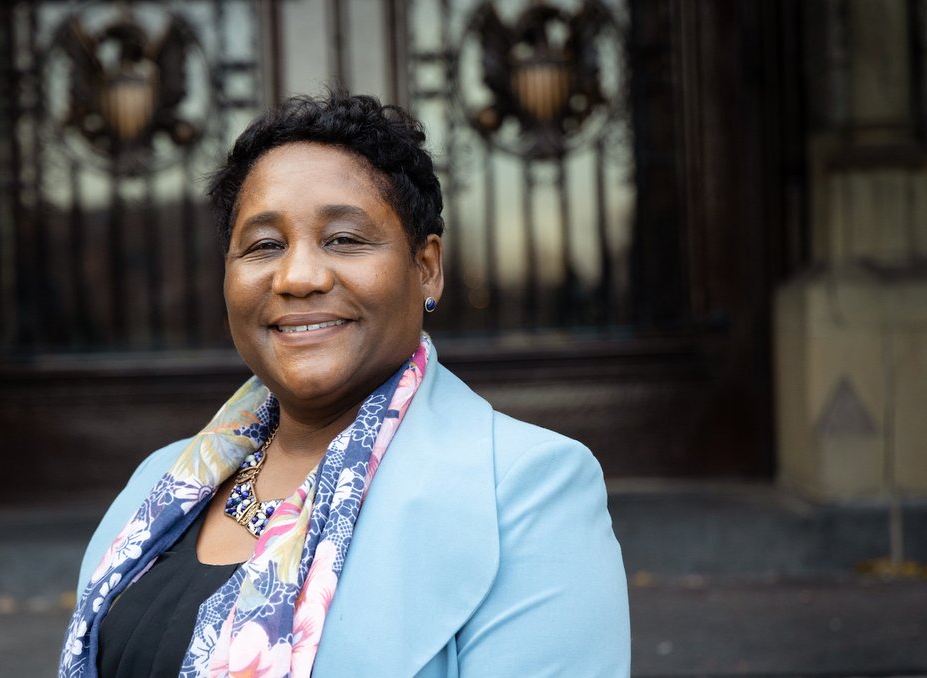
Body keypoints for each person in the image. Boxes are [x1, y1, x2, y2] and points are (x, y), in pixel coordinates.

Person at [59, 91, 630, 678]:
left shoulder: (523, 491)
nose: (298, 277)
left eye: (344, 239)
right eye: (264, 245)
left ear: (427, 267)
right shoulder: (160, 484)